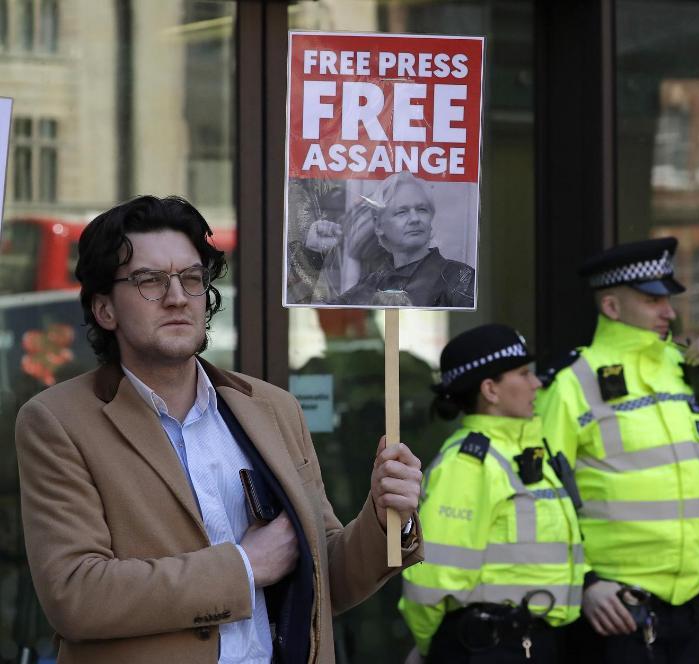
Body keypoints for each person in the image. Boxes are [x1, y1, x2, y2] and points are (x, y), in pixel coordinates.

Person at [14, 195, 424, 663]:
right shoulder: (58, 421)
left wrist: (387, 515)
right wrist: (245, 568)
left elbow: (323, 577)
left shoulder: (273, 409)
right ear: (105, 309)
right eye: (149, 281)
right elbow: (75, 596)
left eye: (191, 279)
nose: (177, 297)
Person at [537, 237, 699, 663]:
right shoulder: (572, 383)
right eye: (652, 300)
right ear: (612, 307)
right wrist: (584, 581)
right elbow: (538, 499)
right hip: (616, 612)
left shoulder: (694, 371)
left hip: (697, 606)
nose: (668, 311)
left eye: (668, 299)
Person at [399, 324, 586, 663]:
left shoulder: (529, 452)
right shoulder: (469, 464)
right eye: (524, 374)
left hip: (533, 642)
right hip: (488, 646)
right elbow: (431, 581)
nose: (537, 383)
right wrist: (433, 649)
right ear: (491, 390)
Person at [320, 171, 475, 308]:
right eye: (402, 212)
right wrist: (312, 252)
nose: (415, 219)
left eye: (422, 210)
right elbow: (317, 311)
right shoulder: (371, 284)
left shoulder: (460, 278)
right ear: (378, 224)